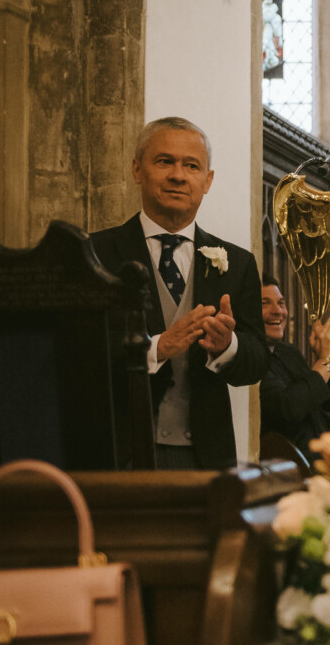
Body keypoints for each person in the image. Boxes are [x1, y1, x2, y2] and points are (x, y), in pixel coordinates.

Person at [90, 117, 268, 469]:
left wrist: (227, 346)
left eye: (192, 165)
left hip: (206, 457)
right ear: (137, 170)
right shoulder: (95, 252)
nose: (178, 175)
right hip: (119, 453)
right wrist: (156, 348)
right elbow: (78, 353)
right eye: (164, 161)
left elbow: (258, 361)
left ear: (207, 181)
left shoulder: (238, 262)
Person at [258, 284, 330, 454]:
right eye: (264, 303)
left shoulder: (289, 352)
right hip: (286, 469)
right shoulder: (248, 360)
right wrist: (324, 360)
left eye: (281, 303)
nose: (278, 311)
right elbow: (289, 408)